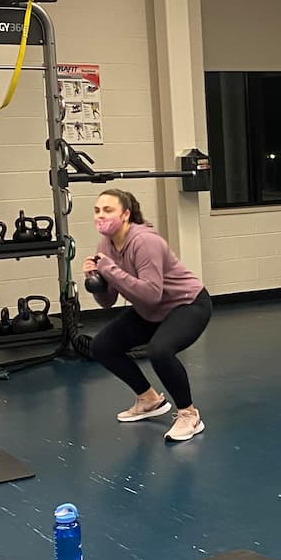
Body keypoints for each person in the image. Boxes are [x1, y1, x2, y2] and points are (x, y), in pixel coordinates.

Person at [84, 189, 212, 442]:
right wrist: (95, 280)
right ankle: (149, 399)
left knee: (160, 350)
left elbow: (152, 293)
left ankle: (189, 414)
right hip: (150, 311)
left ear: (126, 214)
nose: (101, 216)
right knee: (102, 346)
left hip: (187, 304)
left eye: (108, 210)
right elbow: (108, 302)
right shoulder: (105, 245)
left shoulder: (145, 242)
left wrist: (108, 269)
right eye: (97, 210)